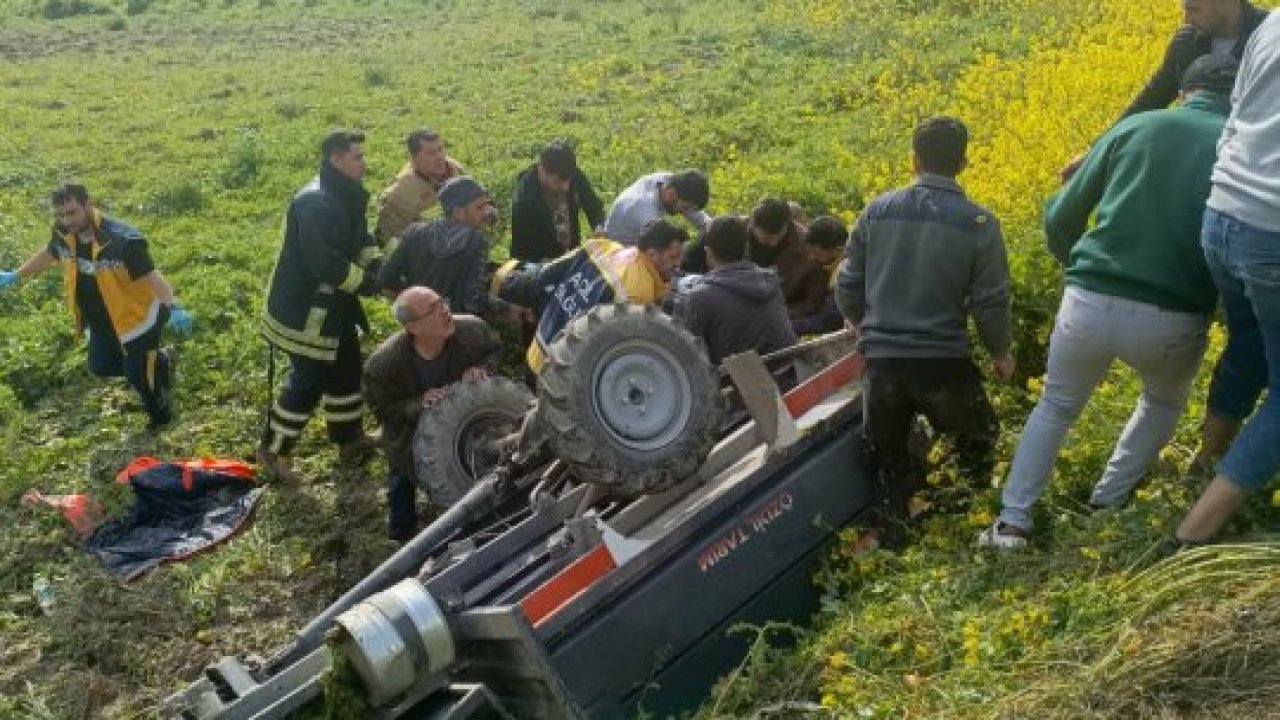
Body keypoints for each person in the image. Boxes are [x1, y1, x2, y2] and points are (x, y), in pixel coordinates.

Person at [979, 56, 1238, 548]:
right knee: (1162, 402)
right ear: (1236, 100)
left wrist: (1077, 268)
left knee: (1056, 404)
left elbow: (1061, 215)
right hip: (1175, 315)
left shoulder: (1138, 125)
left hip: (1090, 298)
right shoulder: (1239, 145)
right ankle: (1107, 502)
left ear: (1184, 91)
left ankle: (1012, 523)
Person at [835, 116, 1014, 547]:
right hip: (943, 362)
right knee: (976, 443)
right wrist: (1001, 352)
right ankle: (965, 530)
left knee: (887, 458)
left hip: (883, 363)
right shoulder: (979, 224)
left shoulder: (876, 211)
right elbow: (990, 300)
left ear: (914, 160)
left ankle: (897, 541)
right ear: (965, 163)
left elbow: (846, 282)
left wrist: (864, 325)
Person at [1178, 14, 1280, 545]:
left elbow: (1237, 116)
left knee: (1250, 346)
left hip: (1223, 213)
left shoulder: (1271, 25)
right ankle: (1195, 532)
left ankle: (1203, 467)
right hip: (1273, 231)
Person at [0, 183, 192, 430]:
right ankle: (157, 363)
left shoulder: (122, 240)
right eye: (61, 214)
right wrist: (17, 275)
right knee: (100, 365)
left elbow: (153, 277)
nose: (67, 220)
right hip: (102, 319)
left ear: (87, 204)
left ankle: (161, 416)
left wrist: (174, 307)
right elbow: (50, 252)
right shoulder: (64, 233)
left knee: (139, 376)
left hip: (138, 316)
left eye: (72, 212)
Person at [258, 130, 381, 481]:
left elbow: (361, 237)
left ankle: (349, 437)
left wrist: (377, 266)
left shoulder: (346, 194)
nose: (363, 163)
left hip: (333, 309)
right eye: (357, 157)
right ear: (335, 159)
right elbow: (324, 264)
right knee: (308, 382)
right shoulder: (313, 203)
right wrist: (370, 284)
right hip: (305, 313)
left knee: (346, 367)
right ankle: (274, 451)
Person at [1060, 0, 1268, 181]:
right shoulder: (1186, 42)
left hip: (1253, 171)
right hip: (1195, 167)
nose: (1186, 19)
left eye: (1193, 9)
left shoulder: (1269, 39)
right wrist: (1095, 153)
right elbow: (1150, 100)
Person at [363, 286, 500, 543]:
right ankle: (402, 536)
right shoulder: (383, 365)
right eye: (434, 309)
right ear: (413, 327)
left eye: (442, 301)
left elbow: (493, 352)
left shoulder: (472, 329)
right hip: (409, 432)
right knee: (401, 478)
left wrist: (482, 369)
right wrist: (419, 404)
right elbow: (383, 411)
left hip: (462, 421)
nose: (445, 311)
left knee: (474, 465)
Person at [494, 219, 688, 373]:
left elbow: (550, 273)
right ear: (653, 254)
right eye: (673, 257)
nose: (679, 264)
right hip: (562, 369)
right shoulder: (638, 293)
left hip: (541, 343)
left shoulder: (604, 246)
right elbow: (624, 352)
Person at [377, 176, 517, 321]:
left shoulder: (414, 232)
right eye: (479, 207)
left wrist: (416, 301)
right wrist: (506, 308)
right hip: (454, 324)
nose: (486, 212)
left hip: (419, 323)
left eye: (486, 205)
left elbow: (385, 279)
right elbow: (470, 300)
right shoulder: (475, 242)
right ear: (458, 212)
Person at [675, 215, 797, 366]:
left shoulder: (699, 298)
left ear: (708, 253)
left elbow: (689, 358)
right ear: (746, 248)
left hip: (742, 385)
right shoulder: (770, 281)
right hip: (790, 376)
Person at [510, 141, 606, 263]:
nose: (565, 188)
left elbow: (593, 204)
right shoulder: (525, 200)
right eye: (558, 182)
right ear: (542, 169)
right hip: (536, 264)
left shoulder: (570, 174)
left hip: (569, 254)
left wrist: (598, 225)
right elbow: (527, 250)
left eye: (568, 182)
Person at [374, 128, 467, 247]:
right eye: (431, 153)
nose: (439, 157)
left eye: (440, 149)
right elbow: (390, 240)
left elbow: (476, 201)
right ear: (414, 158)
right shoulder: (401, 193)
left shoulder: (455, 169)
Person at [748, 198, 828, 321]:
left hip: (784, 315)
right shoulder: (734, 234)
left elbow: (813, 302)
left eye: (779, 236)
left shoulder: (808, 247)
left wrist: (775, 315)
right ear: (752, 224)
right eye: (767, 238)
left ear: (788, 223)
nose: (774, 243)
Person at [603, 169, 711, 244]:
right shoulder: (646, 212)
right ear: (672, 194)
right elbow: (663, 251)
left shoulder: (668, 181)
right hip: (618, 255)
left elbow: (700, 218)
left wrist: (709, 227)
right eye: (685, 208)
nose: (687, 212)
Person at [792, 215, 848, 336]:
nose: (811, 257)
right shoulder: (827, 265)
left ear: (838, 249)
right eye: (809, 251)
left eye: (816, 252)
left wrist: (789, 326)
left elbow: (828, 321)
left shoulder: (845, 274)